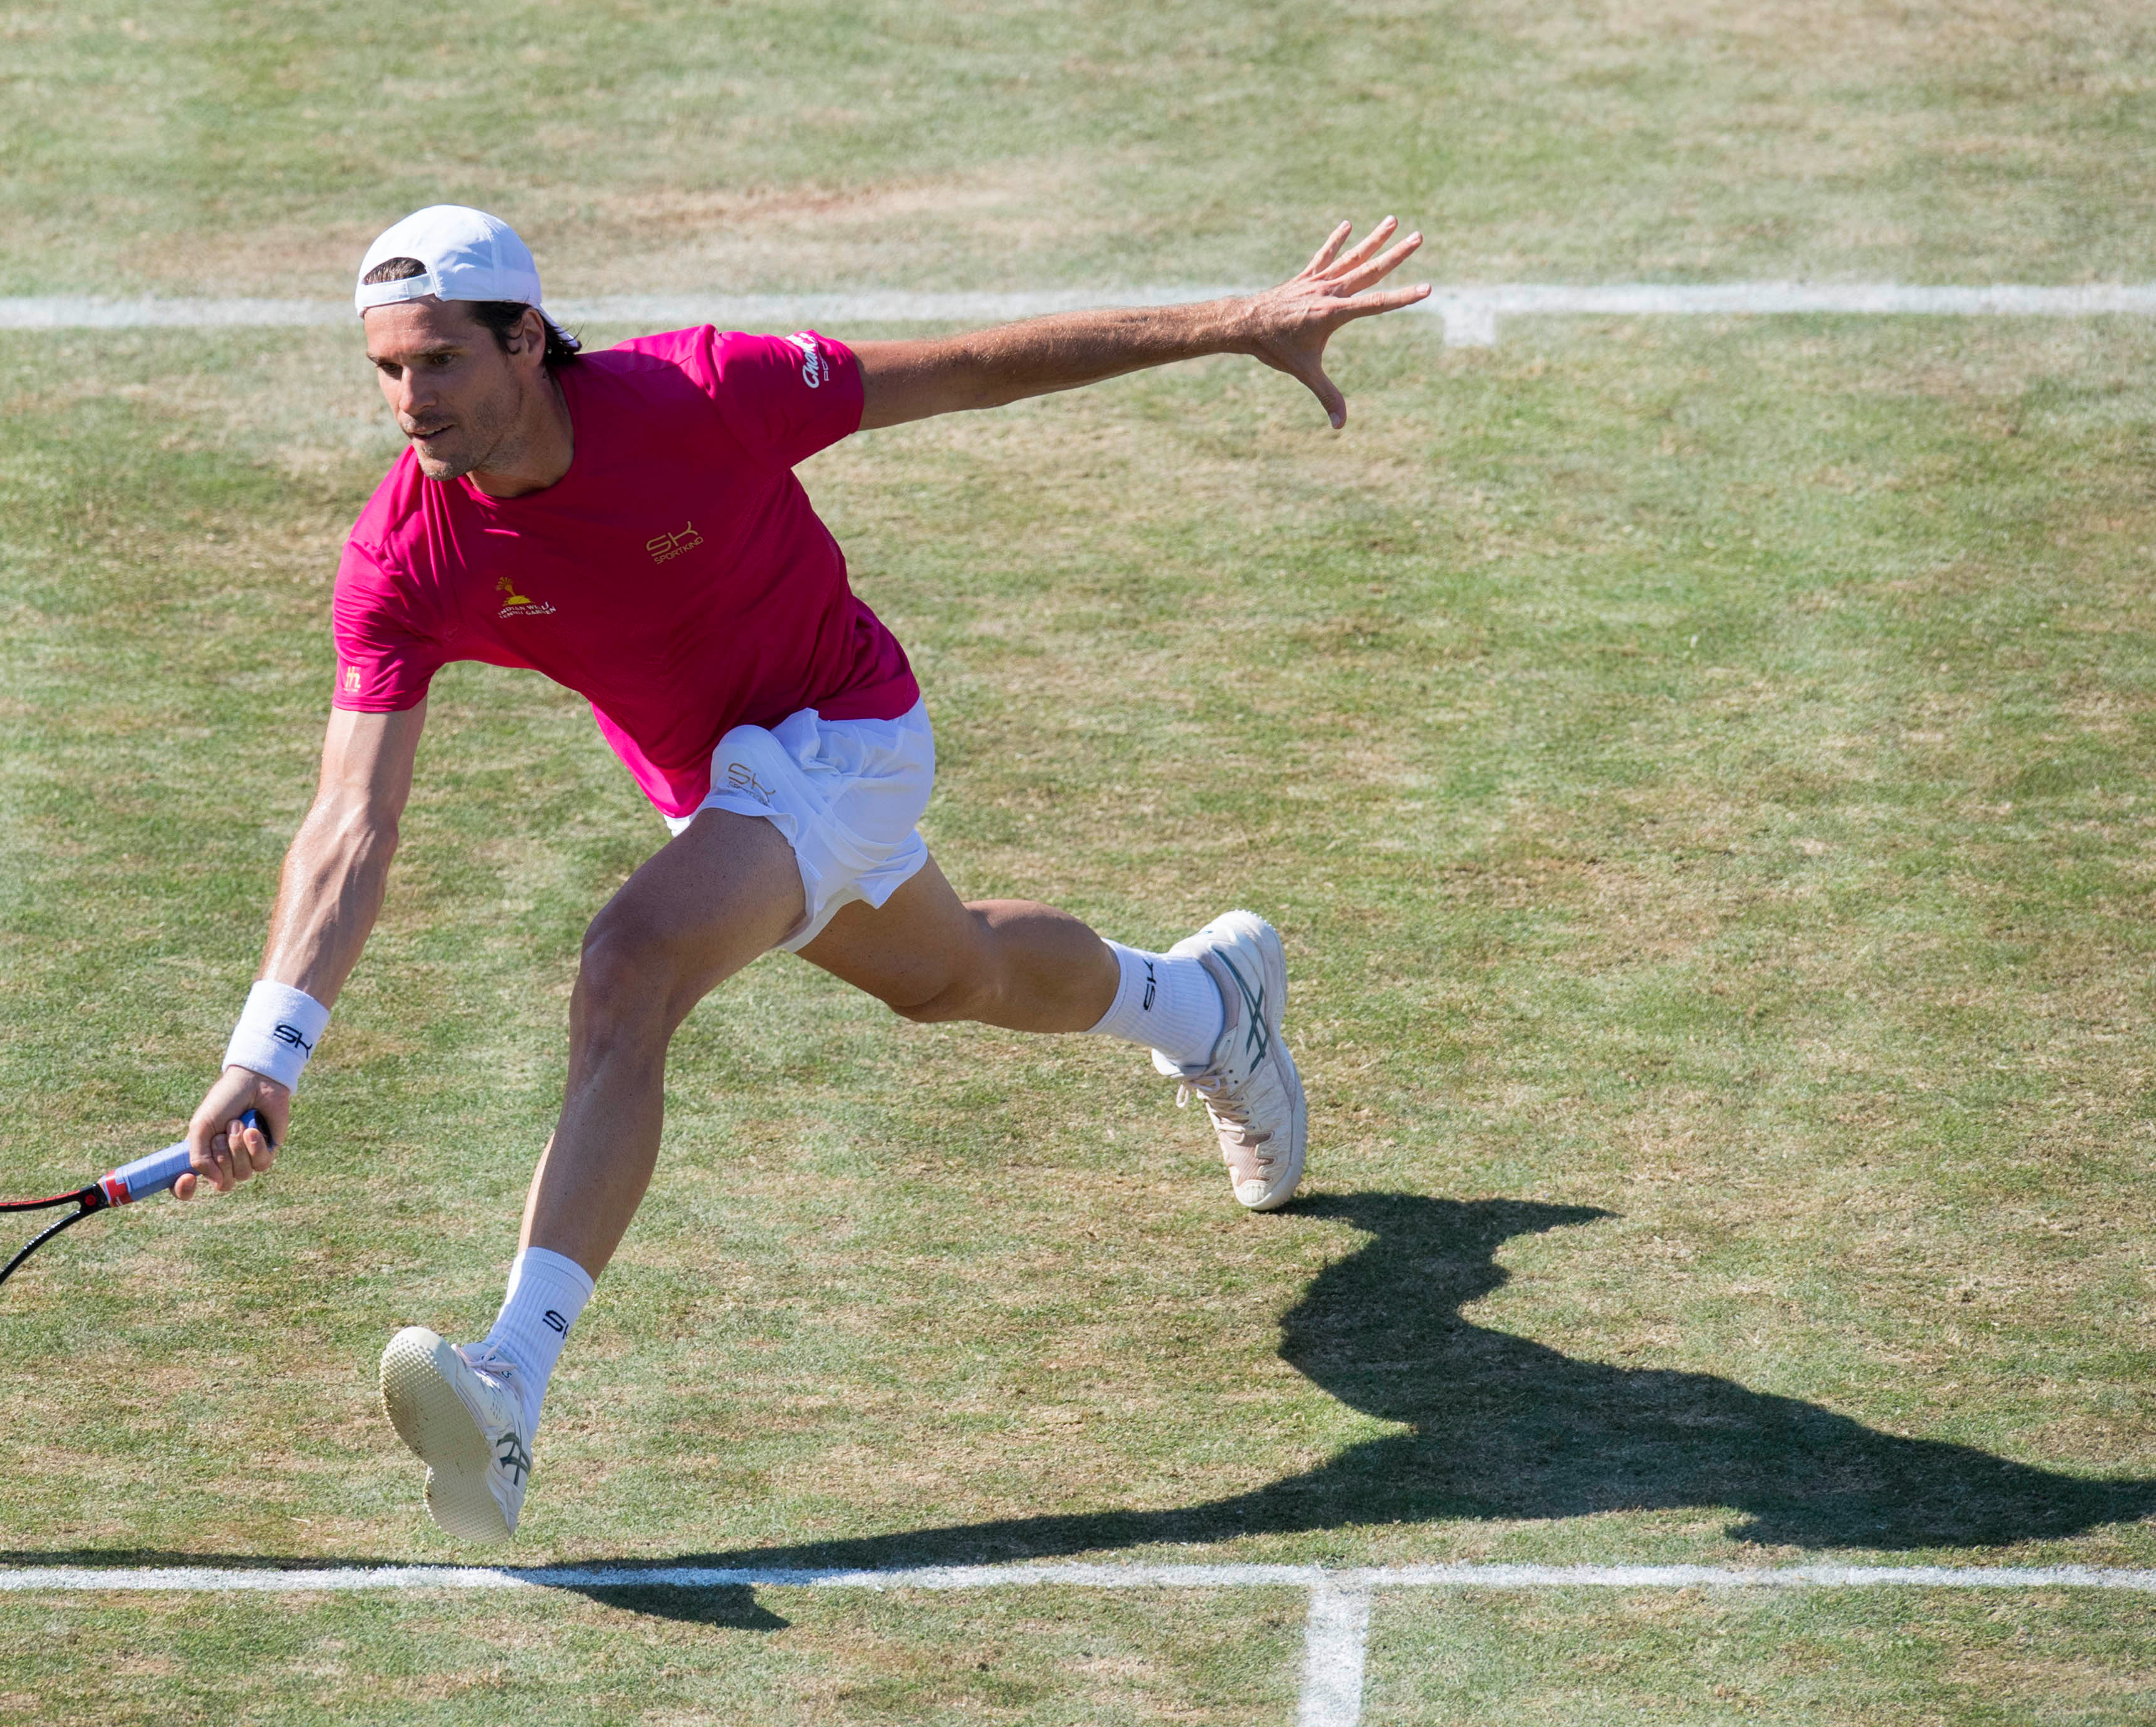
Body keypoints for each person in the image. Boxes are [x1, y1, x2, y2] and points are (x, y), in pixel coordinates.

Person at [174, 204, 1428, 1543]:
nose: (408, 400)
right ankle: (1204, 1007)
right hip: (723, 797)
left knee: (626, 969)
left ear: (524, 339)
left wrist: (1235, 323)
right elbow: (348, 823)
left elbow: (971, 367)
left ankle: (508, 1380)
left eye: (437, 361)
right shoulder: (402, 554)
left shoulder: (702, 393)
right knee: (956, 977)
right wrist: (271, 1048)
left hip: (847, 733)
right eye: (386, 369)